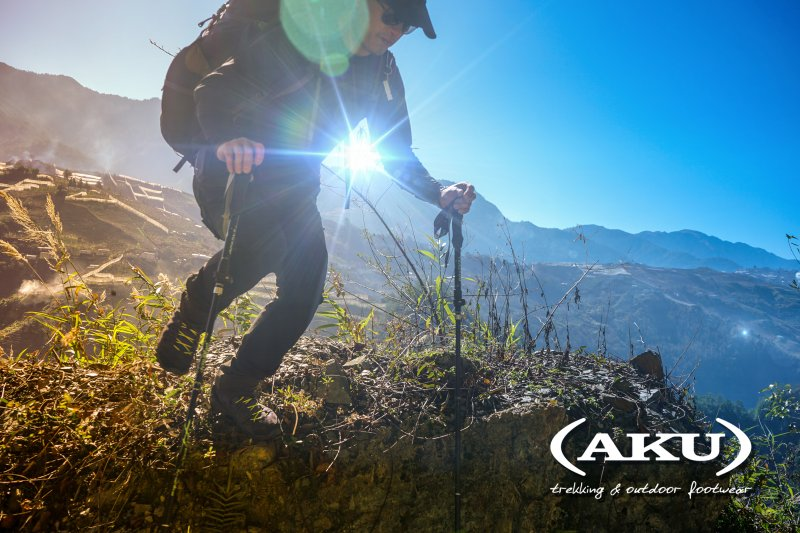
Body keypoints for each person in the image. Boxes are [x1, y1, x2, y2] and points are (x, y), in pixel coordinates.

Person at [155, 0, 477, 437]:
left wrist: (438, 191)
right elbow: (213, 89)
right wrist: (227, 139)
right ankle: (196, 309)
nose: (398, 29)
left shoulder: (381, 71)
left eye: (409, 24)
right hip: (231, 170)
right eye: (392, 15)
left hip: (292, 186)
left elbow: (395, 150)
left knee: (306, 287)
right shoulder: (301, 37)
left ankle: (237, 387)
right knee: (264, 242)